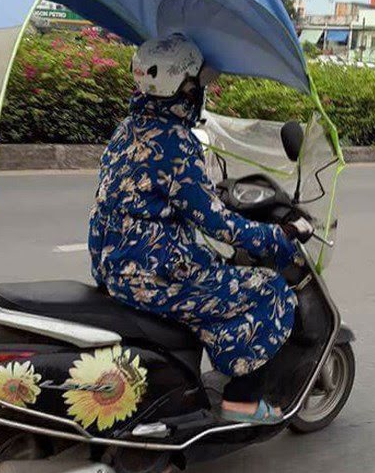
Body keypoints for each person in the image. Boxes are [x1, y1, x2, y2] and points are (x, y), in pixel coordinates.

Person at [88, 33, 303, 424]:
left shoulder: (128, 129)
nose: (200, 92)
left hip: (113, 268)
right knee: (270, 292)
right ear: (184, 88)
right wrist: (276, 238)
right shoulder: (175, 143)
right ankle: (241, 402)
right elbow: (218, 224)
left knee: (215, 272)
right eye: (198, 84)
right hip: (155, 275)